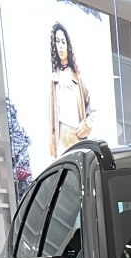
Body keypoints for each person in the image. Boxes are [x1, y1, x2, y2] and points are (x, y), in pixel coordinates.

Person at [50, 22, 93, 157]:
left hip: (77, 134)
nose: (61, 46)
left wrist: (87, 124)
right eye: (57, 41)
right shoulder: (53, 78)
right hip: (61, 134)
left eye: (63, 41)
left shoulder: (78, 77)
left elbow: (93, 109)